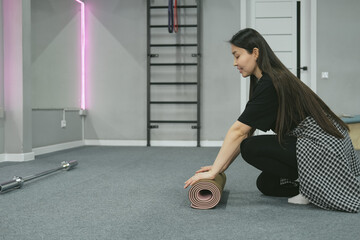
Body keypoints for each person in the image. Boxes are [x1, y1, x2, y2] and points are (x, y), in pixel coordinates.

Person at [184, 28, 360, 213]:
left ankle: (314, 189)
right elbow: (247, 129)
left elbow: (240, 132)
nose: (234, 62)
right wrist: (220, 167)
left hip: (322, 144)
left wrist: (214, 172)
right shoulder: (267, 79)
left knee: (250, 147)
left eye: (237, 55)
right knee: (267, 184)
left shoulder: (271, 82)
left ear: (255, 53)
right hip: (318, 142)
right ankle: (314, 184)